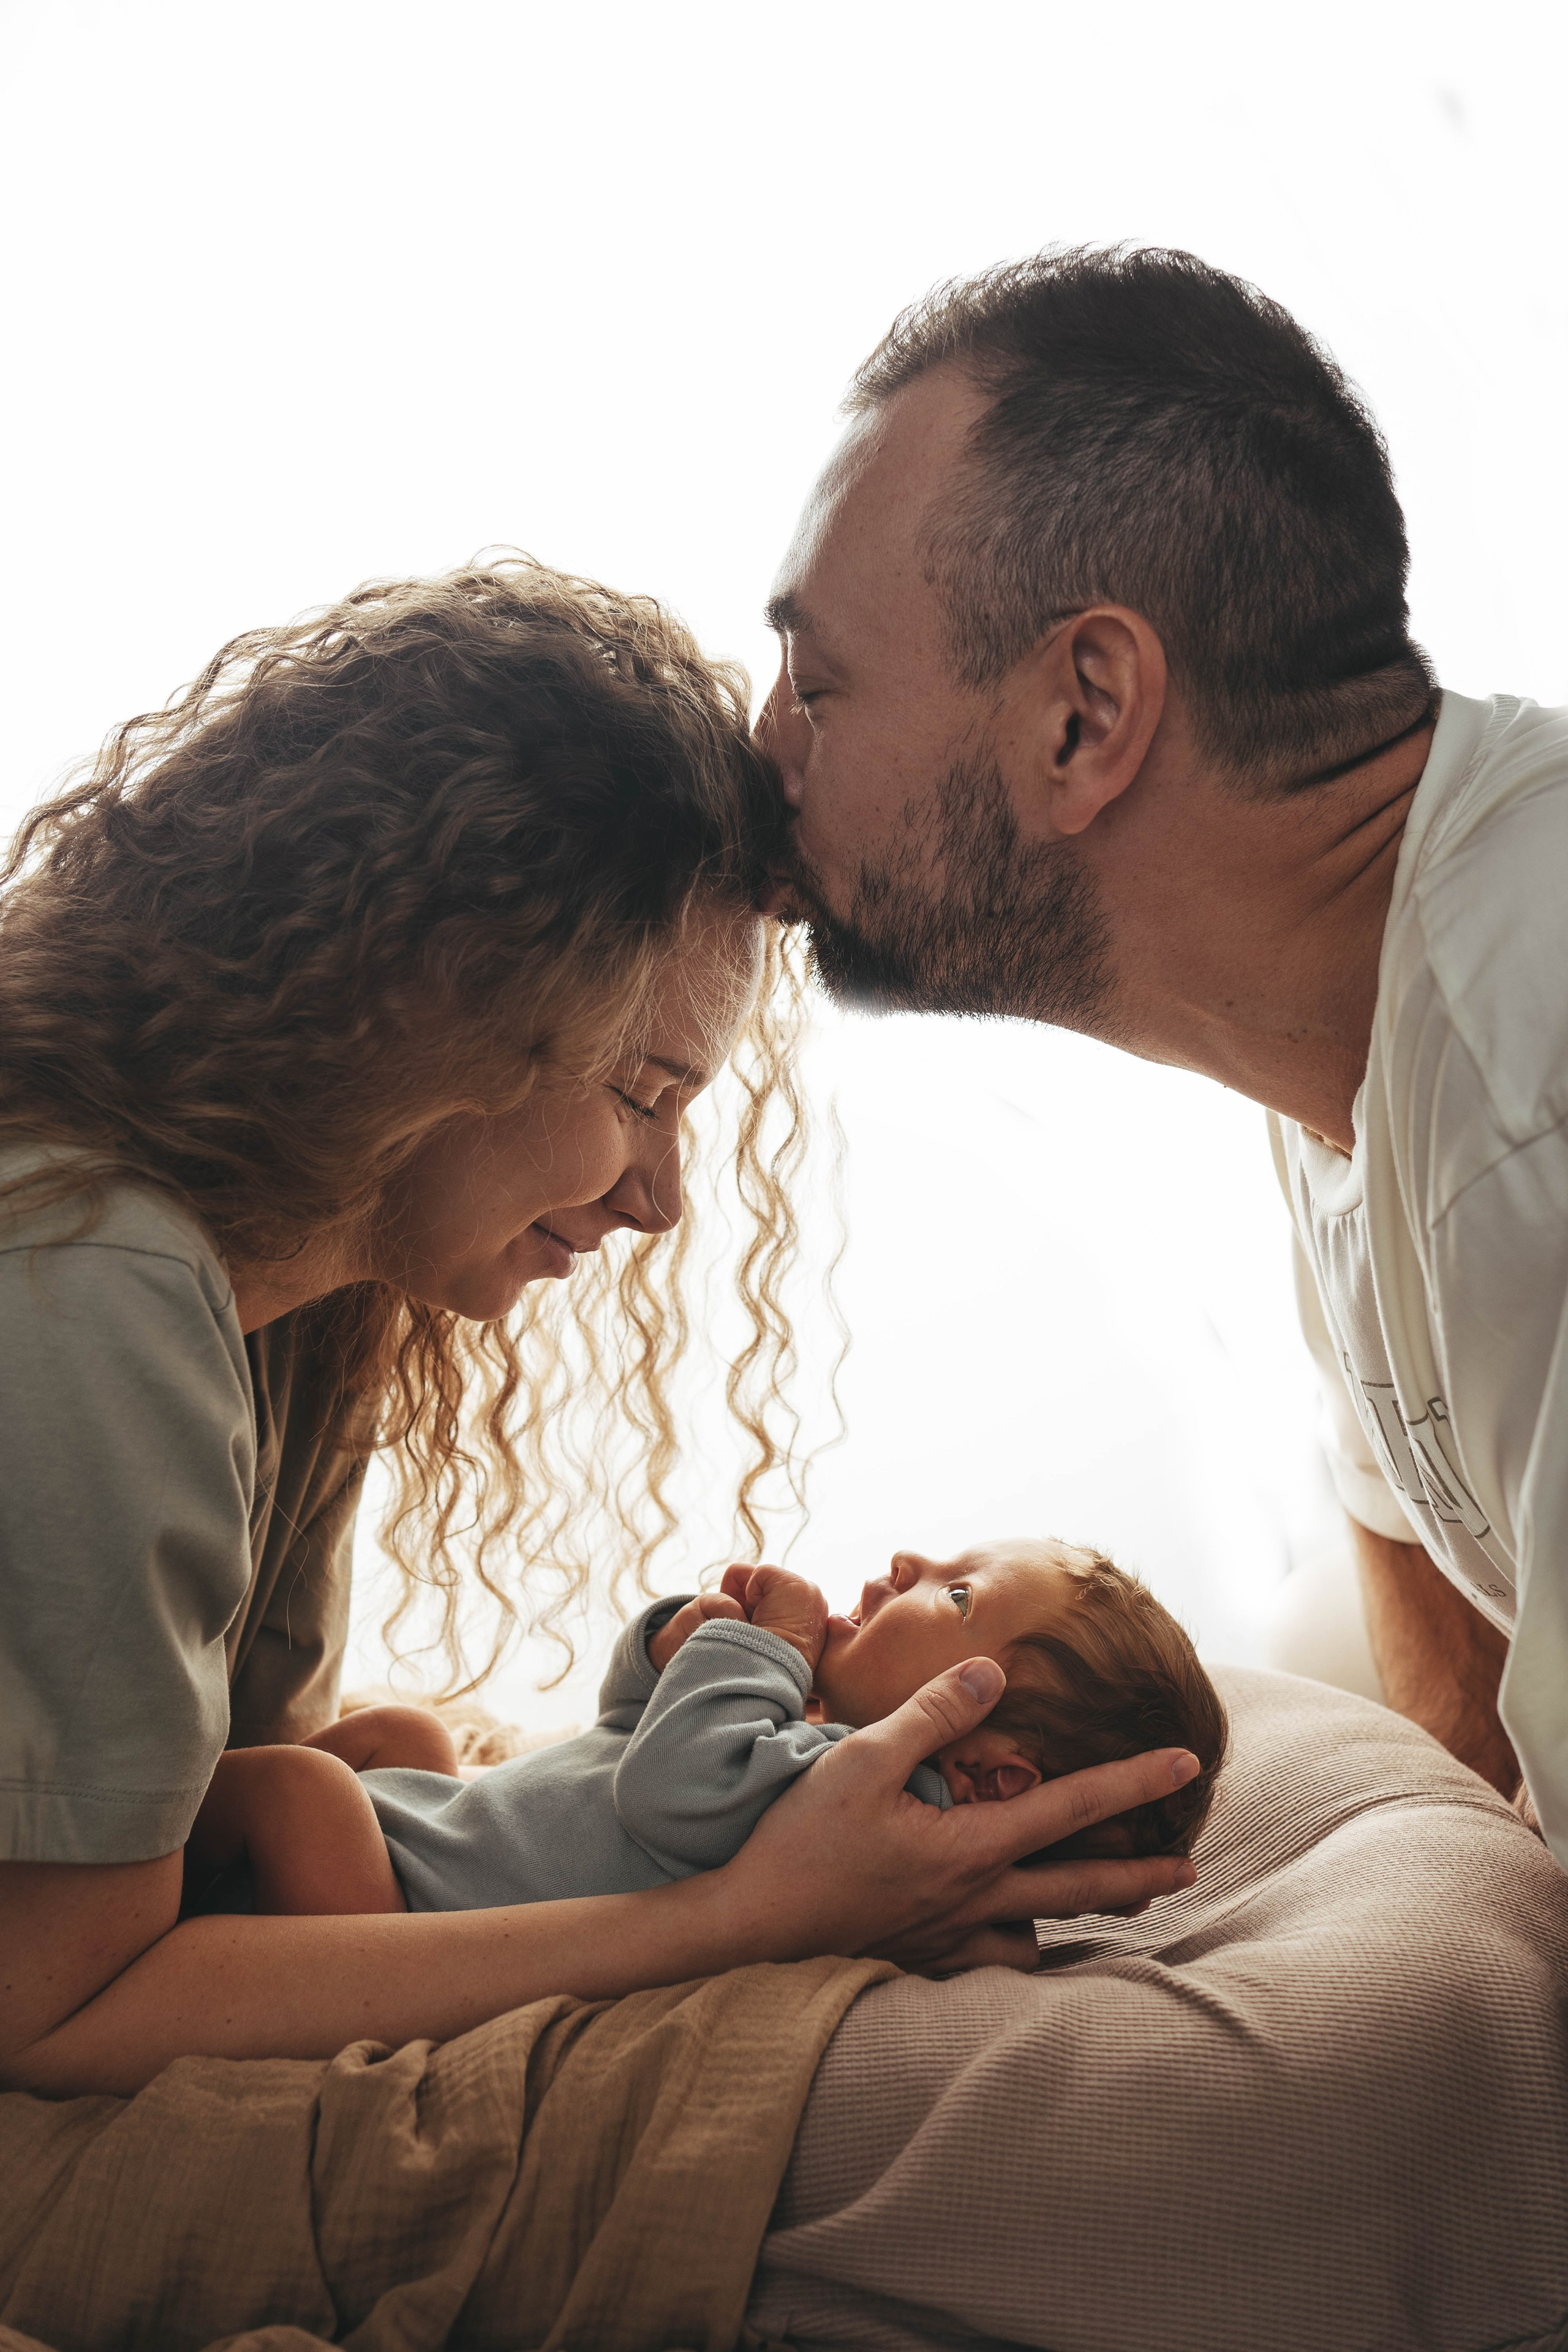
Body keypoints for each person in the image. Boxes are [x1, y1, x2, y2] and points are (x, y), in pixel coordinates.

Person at [0, 555, 1203, 2101]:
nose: (660, 1201)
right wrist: (751, 1918)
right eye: (642, 1093)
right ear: (420, 1015)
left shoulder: (302, 1314)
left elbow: (232, 1803)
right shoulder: (98, 1281)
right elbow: (50, 2013)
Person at [760, 245, 1568, 1868]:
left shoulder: (1521, 1091)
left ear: (1083, 714)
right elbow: (1423, 1567)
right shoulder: (1337, 1015)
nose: (763, 742)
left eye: (818, 683)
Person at [184, 1542, 1226, 1915]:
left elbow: (670, 1789)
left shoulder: (863, 1800)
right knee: (408, 1738)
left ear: (995, 1774)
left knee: (300, 1792)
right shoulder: (797, 1747)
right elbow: (622, 1744)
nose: (909, 1562)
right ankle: (195, 1873)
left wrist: (767, 1646)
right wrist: (670, 1651)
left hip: (404, 1924)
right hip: (427, 1858)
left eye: (958, 1596)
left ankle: (153, 1878)